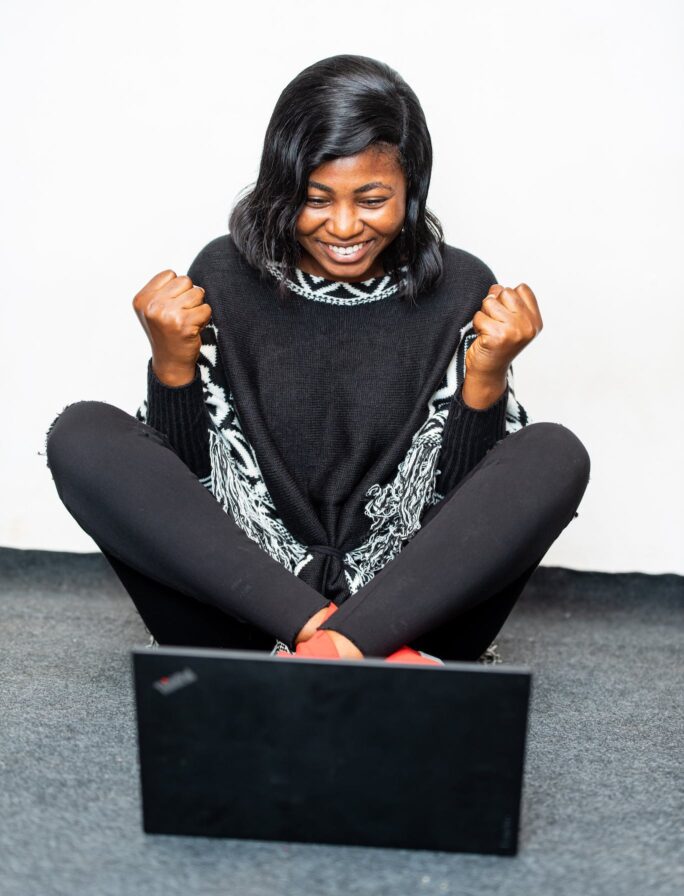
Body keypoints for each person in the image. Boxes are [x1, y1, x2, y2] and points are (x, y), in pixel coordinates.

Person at [45, 54, 591, 665]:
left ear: (411, 188)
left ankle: (338, 648)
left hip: (409, 617)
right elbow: (189, 491)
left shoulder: (463, 287)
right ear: (282, 189)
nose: (344, 224)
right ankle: (332, 645)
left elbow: (459, 511)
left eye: (373, 197)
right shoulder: (224, 275)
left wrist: (485, 377)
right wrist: (171, 368)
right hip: (244, 618)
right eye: (316, 199)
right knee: (80, 432)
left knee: (555, 452)